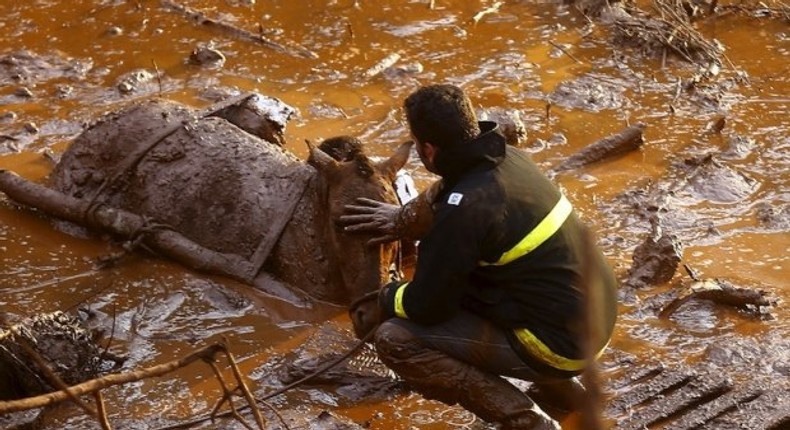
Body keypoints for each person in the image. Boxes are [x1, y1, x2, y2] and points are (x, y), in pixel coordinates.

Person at [340, 84, 618, 429]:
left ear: (428, 150)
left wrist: (386, 296)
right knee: (506, 280)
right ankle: (569, 397)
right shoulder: (509, 160)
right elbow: (440, 194)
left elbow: (428, 305)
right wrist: (401, 219)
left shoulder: (465, 209)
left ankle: (527, 422)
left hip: (557, 345)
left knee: (397, 338)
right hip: (594, 319)